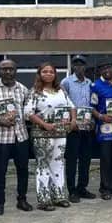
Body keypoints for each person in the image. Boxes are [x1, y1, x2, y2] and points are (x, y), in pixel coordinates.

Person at [0, 59, 33, 216]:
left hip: (21, 136)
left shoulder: (23, 89)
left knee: (23, 170)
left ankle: (22, 199)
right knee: (0, 171)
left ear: (15, 70)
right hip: (0, 138)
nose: (8, 72)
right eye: (4, 69)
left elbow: (28, 110)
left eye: (11, 69)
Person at [25, 62, 76, 211]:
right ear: (39, 74)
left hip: (60, 133)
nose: (48, 74)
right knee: (43, 166)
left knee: (58, 164)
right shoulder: (34, 92)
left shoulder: (61, 90)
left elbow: (71, 106)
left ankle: (59, 196)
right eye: (45, 71)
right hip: (42, 134)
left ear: (55, 75)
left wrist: (73, 120)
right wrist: (44, 124)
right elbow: (28, 113)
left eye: (51, 72)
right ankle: (44, 199)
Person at [61, 55, 96, 203]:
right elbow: (63, 103)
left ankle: (82, 187)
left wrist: (93, 120)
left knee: (85, 159)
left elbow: (92, 104)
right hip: (73, 127)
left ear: (85, 67)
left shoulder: (90, 83)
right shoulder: (66, 82)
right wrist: (70, 121)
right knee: (71, 160)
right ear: (73, 67)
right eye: (76, 64)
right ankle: (72, 190)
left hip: (87, 127)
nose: (79, 67)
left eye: (81, 64)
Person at [91, 61, 112, 200]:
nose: (106, 70)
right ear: (100, 71)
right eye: (103, 68)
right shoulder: (95, 86)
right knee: (106, 159)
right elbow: (92, 107)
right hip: (105, 129)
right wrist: (101, 116)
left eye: (108, 67)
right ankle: (105, 188)